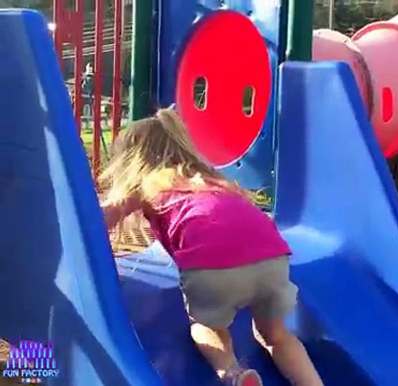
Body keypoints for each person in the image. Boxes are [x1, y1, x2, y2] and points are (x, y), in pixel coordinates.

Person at [99, 108, 324, 386]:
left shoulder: (146, 182)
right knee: (276, 335)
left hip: (215, 269)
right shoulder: (215, 180)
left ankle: (233, 373)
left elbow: (102, 219)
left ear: (133, 161)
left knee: (206, 329)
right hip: (273, 258)